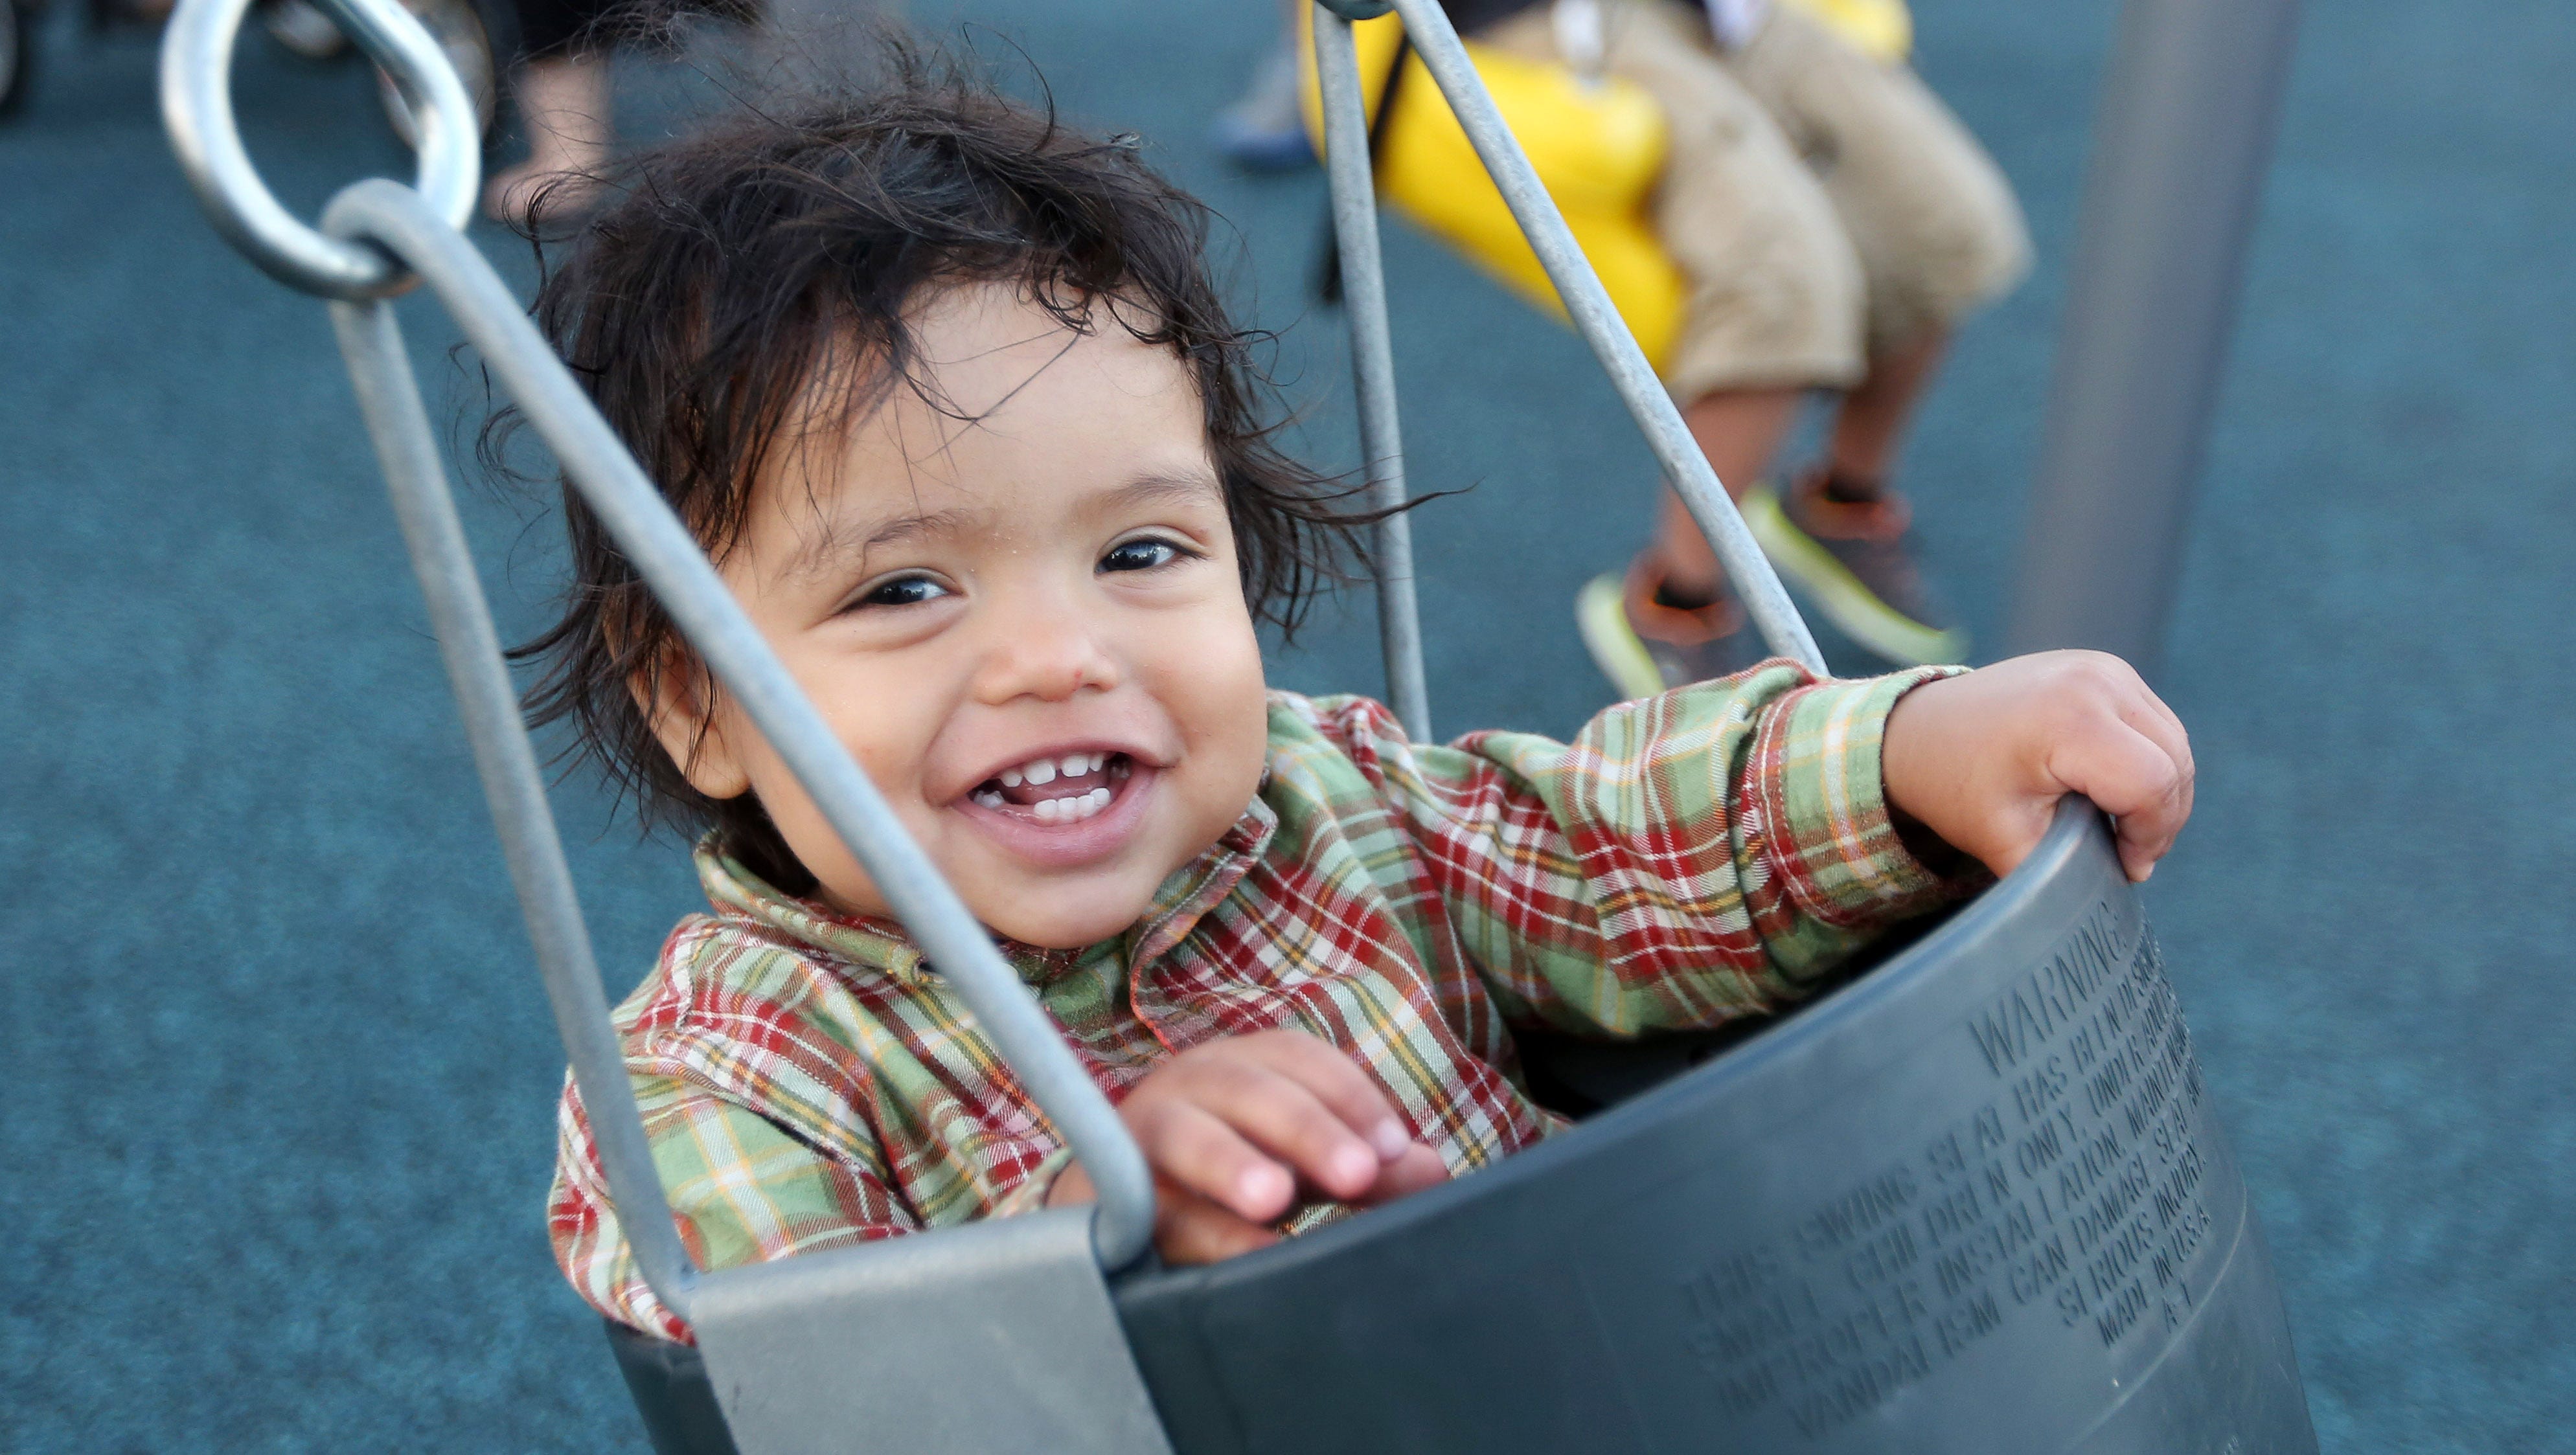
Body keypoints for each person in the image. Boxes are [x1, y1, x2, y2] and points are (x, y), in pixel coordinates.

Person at [512, 63, 2191, 1342]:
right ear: (700, 704)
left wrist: (1908, 750)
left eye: (1143, 547)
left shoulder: (1328, 812)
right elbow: (800, 1378)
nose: (1054, 656)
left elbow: (1622, 847)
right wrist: (1088, 1232)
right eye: (903, 587)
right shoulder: (730, 1078)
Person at [1446, 0, 2031, 690]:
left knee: (1940, 219)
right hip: (1549, 17)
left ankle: (1839, 501)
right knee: (1779, 277)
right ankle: (1676, 599)